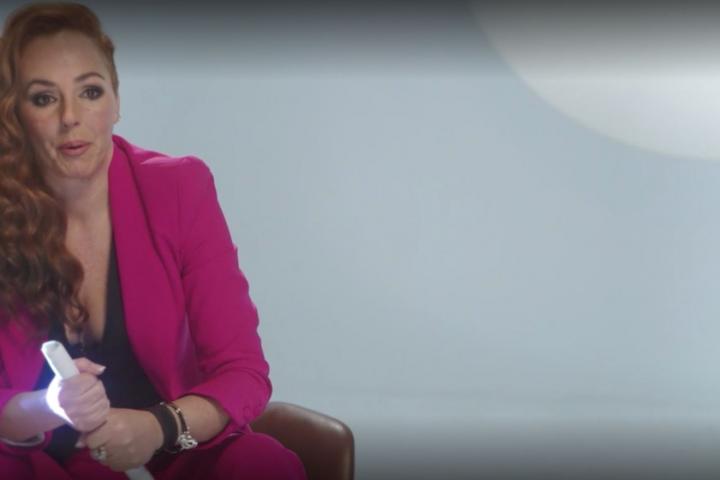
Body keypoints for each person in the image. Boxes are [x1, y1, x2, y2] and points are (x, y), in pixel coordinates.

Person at [0, 3, 306, 479]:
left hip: (175, 441)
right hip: (47, 459)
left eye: (90, 91)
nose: (70, 117)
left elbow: (243, 372)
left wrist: (160, 426)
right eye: (43, 98)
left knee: (262, 464)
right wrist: (50, 404)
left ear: (116, 100)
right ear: (16, 114)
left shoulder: (178, 188)